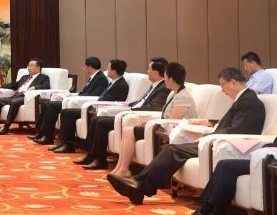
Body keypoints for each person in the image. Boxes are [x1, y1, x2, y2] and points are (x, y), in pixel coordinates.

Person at [107, 67, 266, 206]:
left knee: (172, 150)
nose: (222, 90)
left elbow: (236, 130)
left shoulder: (249, 101)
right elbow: (232, 124)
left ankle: (139, 186)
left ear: (233, 82)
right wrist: (210, 123)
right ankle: (139, 185)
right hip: (217, 141)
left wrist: (207, 137)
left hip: (225, 145)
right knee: (171, 149)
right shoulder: (245, 99)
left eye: (222, 85)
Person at [74, 57, 172, 169]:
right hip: (131, 113)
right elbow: (143, 101)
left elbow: (154, 107)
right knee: (95, 119)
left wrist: (131, 110)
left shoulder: (163, 88)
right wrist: (129, 104)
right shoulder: (155, 85)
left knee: (101, 123)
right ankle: (91, 156)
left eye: (149, 68)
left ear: (156, 72)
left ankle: (100, 161)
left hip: (137, 117)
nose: (147, 71)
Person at [110, 62, 196, 178]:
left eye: (165, 77)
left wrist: (151, 124)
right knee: (127, 131)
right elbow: (165, 117)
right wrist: (148, 122)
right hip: (164, 128)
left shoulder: (183, 97)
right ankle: (119, 168)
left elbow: (172, 121)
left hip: (176, 133)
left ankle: (124, 169)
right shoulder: (173, 94)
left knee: (129, 131)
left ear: (170, 79)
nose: (164, 80)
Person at [176, 138, 276, 215]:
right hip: (265, 158)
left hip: (272, 162)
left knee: (228, 166)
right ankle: (206, 212)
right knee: (223, 164)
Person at [50, 59, 130, 153]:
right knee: (65, 112)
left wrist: (93, 104)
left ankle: (69, 145)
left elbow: (110, 101)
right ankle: (65, 143)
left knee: (70, 113)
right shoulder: (113, 82)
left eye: (108, 68)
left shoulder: (121, 85)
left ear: (114, 71)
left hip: (102, 110)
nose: (106, 70)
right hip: (96, 107)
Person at [30, 56, 109, 145]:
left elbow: (95, 95)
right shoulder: (94, 77)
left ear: (90, 67)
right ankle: (41, 132)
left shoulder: (101, 78)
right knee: (46, 104)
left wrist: (75, 97)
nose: (84, 69)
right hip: (78, 100)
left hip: (81, 103)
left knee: (52, 105)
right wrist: (73, 95)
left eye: (84, 67)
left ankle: (48, 136)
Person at [0, 58, 50, 135]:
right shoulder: (25, 77)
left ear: (38, 67)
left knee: (14, 102)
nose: (29, 68)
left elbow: (46, 86)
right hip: (16, 96)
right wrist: (0, 86)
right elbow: (14, 85)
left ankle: (6, 127)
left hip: (26, 97)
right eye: (28, 66)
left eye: (31, 66)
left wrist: (35, 87)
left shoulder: (43, 77)